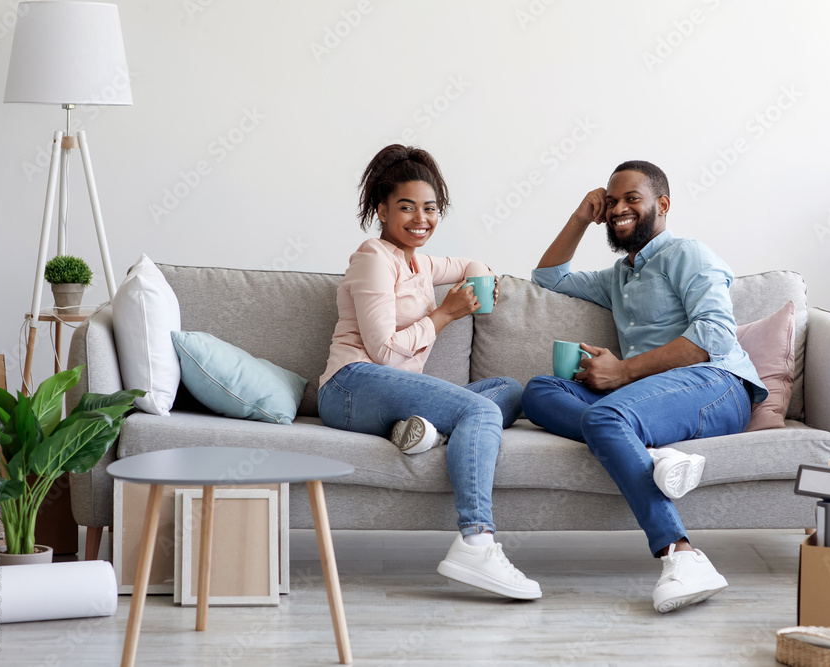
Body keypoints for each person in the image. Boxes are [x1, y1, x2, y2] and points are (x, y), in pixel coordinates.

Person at [520, 160, 767, 613]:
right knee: (537, 391)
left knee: (605, 415)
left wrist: (625, 370)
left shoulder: (688, 254)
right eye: (611, 202)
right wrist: (579, 217)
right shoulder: (619, 276)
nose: (618, 209)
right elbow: (548, 279)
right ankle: (647, 453)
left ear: (662, 205)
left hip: (716, 386)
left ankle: (682, 553)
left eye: (631, 198)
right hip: (648, 399)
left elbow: (714, 336)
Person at [318, 144, 541, 600]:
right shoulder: (373, 257)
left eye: (430, 208)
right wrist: (446, 313)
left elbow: (471, 263)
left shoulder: (421, 261)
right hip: (351, 386)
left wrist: (482, 281)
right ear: (381, 210)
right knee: (479, 412)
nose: (421, 218)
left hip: (389, 393)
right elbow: (381, 352)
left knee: (511, 390)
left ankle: (422, 431)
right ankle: (476, 542)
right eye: (406, 207)